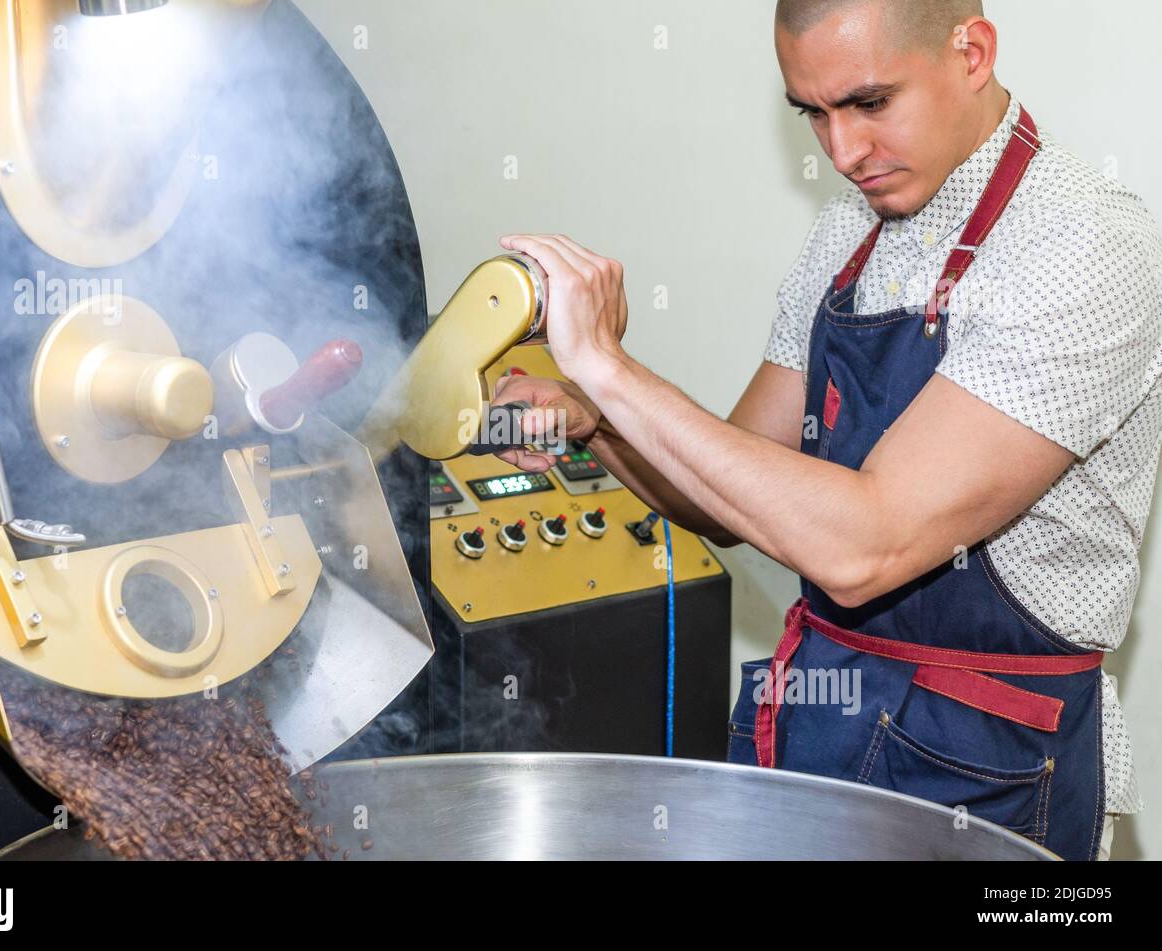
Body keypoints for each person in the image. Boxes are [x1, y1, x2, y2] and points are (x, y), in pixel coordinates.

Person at [493, 0, 1161, 860]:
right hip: (820, 719)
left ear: (973, 51)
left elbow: (865, 547)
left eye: (871, 103)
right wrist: (595, 421)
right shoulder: (849, 233)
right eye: (814, 113)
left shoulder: (1084, 245)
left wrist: (609, 370)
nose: (842, 153)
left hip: (988, 769)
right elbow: (727, 501)